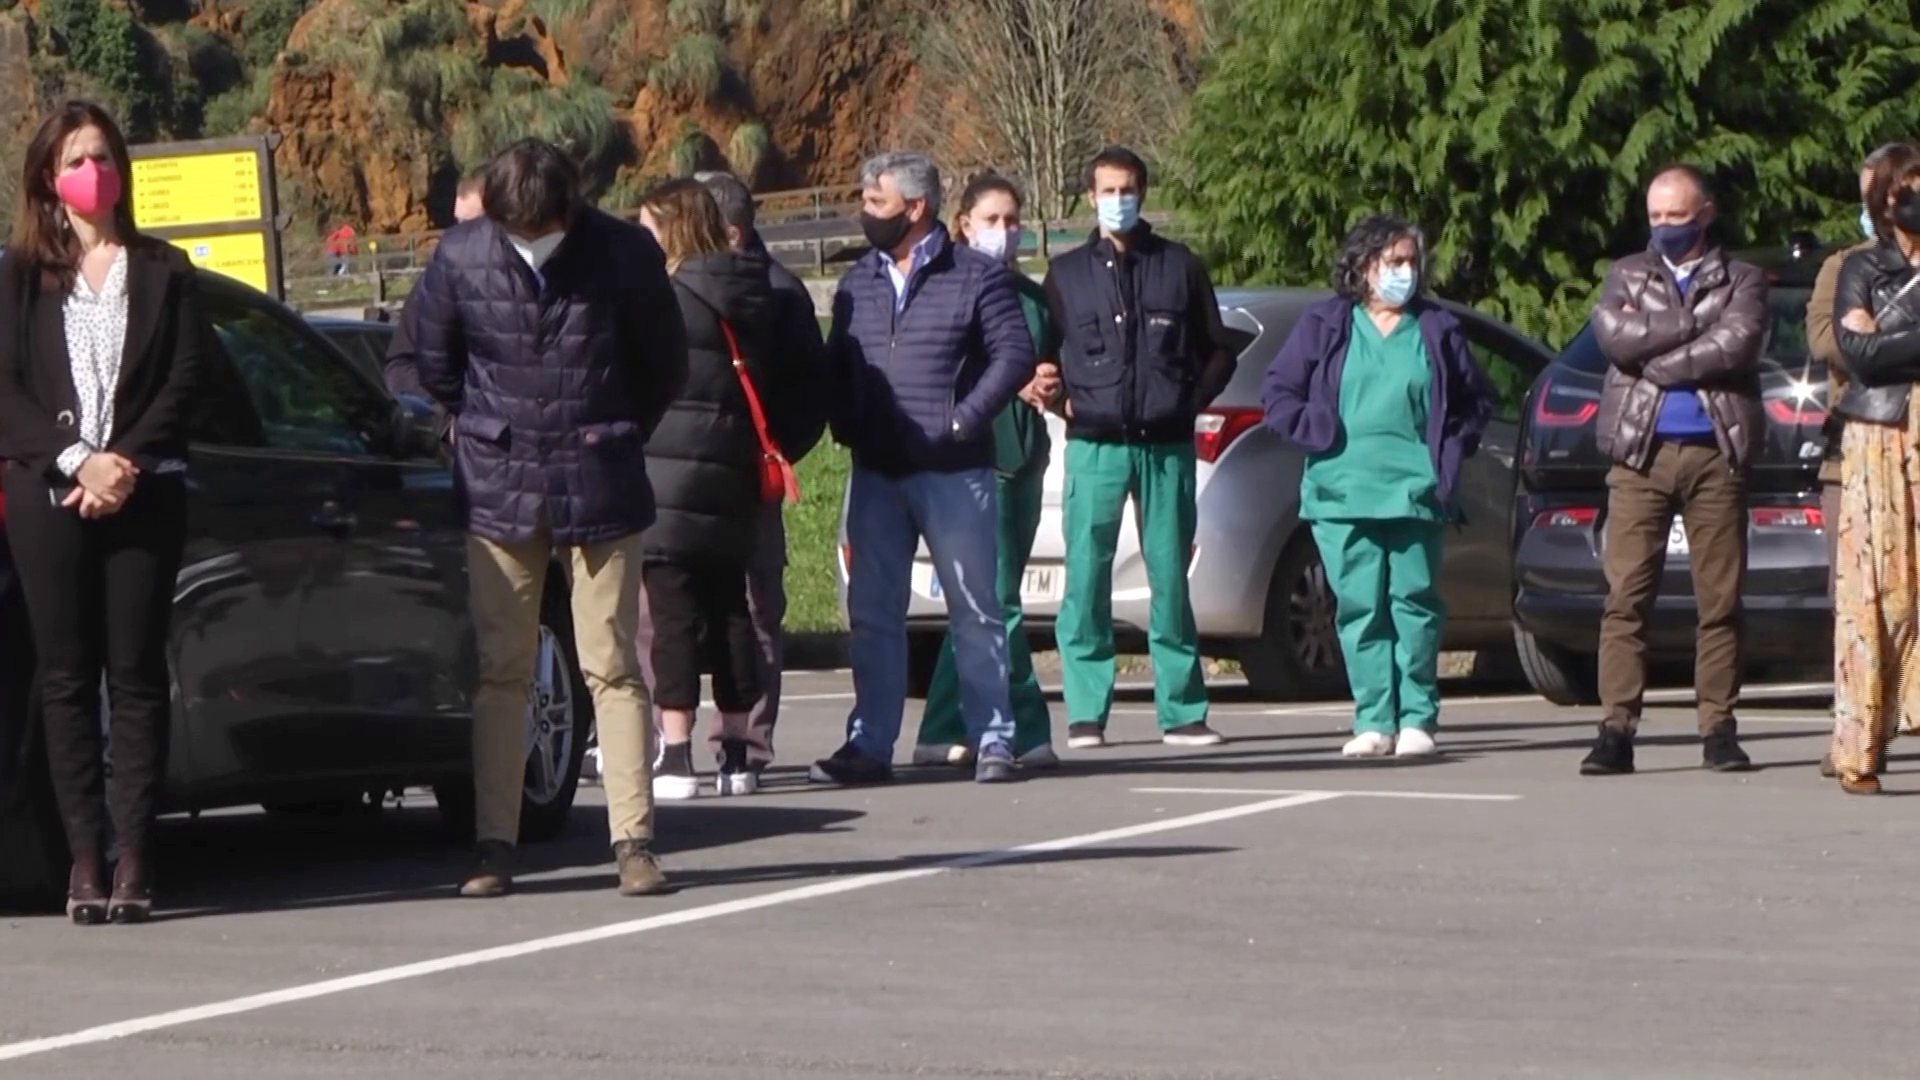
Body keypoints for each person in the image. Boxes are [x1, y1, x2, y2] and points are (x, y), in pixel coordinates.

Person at [407, 139, 689, 898]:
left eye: (543, 228)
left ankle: (634, 842)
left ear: (572, 209)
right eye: (514, 228)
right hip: (499, 484)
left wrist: (620, 429)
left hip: (600, 477)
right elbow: (427, 361)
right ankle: (494, 844)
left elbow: (665, 362)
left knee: (614, 665)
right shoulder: (462, 255)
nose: (529, 240)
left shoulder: (624, 253)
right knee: (502, 670)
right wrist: (465, 429)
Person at [0, 100, 212, 923]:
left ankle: (133, 861)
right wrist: (75, 459)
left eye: (104, 155)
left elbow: (187, 378)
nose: (95, 171)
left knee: (134, 679)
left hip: (144, 489)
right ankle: (82, 860)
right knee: (64, 678)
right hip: (49, 493)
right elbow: (8, 391)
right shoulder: (20, 275)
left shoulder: (165, 269)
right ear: (50, 180)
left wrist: (120, 461)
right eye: (77, 159)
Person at [813, 150, 1035, 786]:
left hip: (953, 473)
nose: (865, 214)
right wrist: (844, 419)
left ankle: (993, 739)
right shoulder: (859, 280)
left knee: (974, 609)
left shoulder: (974, 276)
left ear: (916, 208)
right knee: (873, 613)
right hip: (877, 473)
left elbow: (1013, 354)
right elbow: (839, 363)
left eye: (876, 203)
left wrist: (962, 420)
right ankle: (869, 745)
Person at [1259, 215, 1496, 758]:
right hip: (1341, 491)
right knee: (1359, 607)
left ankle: (1417, 717)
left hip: (1416, 490)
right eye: (1394, 262)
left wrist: (1451, 454)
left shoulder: (1436, 328)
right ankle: (1373, 719)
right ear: (1364, 267)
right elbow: (1279, 390)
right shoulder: (1326, 324)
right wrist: (1314, 431)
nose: (1405, 273)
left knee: (1414, 603)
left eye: (1412, 262)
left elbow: (1475, 401)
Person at [628, 169, 827, 786]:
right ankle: (738, 752)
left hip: (669, 476)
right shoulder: (764, 292)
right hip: (737, 478)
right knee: (736, 614)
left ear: (674, 231)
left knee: (672, 619)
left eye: (649, 229)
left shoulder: (665, 300)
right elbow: (795, 389)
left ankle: (679, 752)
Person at [1043, 146, 1236, 750]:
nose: (1117, 200)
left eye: (1127, 189)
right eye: (1106, 190)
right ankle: (1085, 713)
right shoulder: (1065, 275)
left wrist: (1188, 400)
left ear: (1143, 193)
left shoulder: (1179, 267)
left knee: (1170, 579)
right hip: (1094, 449)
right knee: (1086, 578)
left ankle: (1182, 710)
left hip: (1166, 449)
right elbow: (1041, 358)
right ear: (1090, 197)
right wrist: (1055, 399)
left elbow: (1219, 350)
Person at [1582, 165, 1767, 776]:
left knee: (1720, 600)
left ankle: (1717, 726)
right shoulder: (1626, 274)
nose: (1664, 227)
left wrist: (1658, 359)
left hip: (1716, 452)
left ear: (1705, 213)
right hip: (1641, 453)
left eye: (1676, 217)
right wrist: (1691, 324)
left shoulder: (1739, 277)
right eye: (1656, 216)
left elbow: (1737, 343)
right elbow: (1614, 338)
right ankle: (1616, 729)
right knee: (1626, 597)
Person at [912, 172, 1062, 769]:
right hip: (978, 462)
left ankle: (941, 725)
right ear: (964, 226)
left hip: (1024, 461)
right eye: (992, 220)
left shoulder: (1031, 297)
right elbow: (943, 374)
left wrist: (1051, 383)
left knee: (983, 603)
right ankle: (1024, 725)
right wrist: (1009, 381)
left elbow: (1047, 364)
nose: (1006, 232)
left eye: (1014, 220)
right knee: (998, 601)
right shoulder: (950, 292)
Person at [1808, 143, 1913, 780]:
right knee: (1866, 597)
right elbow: (1843, 346)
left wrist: (1883, 335)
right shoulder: (1847, 266)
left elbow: (1874, 344)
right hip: (1868, 443)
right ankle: (1858, 737)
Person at [383, 168, 487, 413]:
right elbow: (400, 367)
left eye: (471, 226)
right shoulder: (433, 286)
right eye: (457, 224)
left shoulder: (537, 281)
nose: (457, 238)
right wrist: (450, 415)